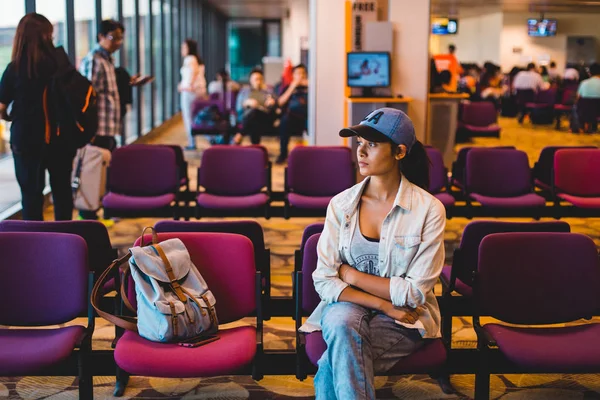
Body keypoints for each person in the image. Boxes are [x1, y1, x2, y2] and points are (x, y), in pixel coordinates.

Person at [299, 107, 446, 400]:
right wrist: (384, 304)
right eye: (359, 143)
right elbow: (325, 280)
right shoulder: (341, 205)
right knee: (341, 325)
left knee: (339, 356)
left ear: (400, 152)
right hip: (352, 306)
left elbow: (415, 293)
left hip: (405, 319)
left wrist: (351, 274)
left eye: (373, 144)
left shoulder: (428, 210)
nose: (360, 151)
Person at [0, 13, 77, 221]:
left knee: (31, 196)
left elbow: (2, 106)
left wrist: (10, 116)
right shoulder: (59, 65)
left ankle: (36, 243)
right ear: (46, 36)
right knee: (61, 193)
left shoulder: (13, 69)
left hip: (26, 139)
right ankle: (65, 241)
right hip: (60, 137)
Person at [276, 64, 308, 164]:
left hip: (307, 117)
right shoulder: (288, 87)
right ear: (293, 75)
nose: (301, 76)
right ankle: (283, 154)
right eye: (298, 73)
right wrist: (292, 86)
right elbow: (280, 102)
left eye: (303, 73)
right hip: (292, 118)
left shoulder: (311, 86)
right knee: (285, 121)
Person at [233, 68, 275, 145]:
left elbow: (274, 108)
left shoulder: (268, 92)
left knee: (255, 113)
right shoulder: (244, 92)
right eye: (256, 79)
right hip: (248, 117)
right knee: (254, 119)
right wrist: (246, 103)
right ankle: (256, 147)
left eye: (260, 79)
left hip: (264, 118)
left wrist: (271, 103)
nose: (258, 81)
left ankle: (240, 134)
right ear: (250, 80)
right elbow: (238, 109)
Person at [178, 39, 206, 150]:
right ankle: (211, 137)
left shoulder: (190, 59)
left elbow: (193, 72)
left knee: (188, 116)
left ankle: (192, 142)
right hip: (198, 91)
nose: (182, 50)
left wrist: (187, 85)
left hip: (189, 92)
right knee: (198, 116)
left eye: (184, 47)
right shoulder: (197, 59)